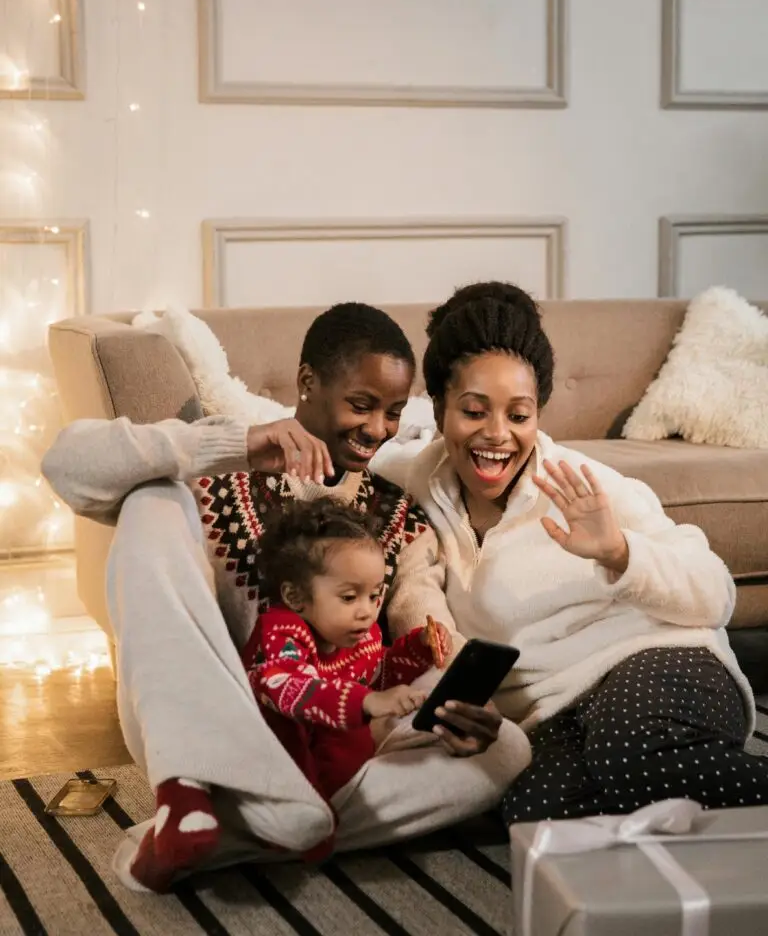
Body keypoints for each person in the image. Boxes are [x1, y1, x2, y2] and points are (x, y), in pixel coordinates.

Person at [42, 301, 530, 892]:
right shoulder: (218, 467)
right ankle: (201, 798)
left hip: (328, 750)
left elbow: (422, 621)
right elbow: (67, 465)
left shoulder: (397, 512)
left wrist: (456, 699)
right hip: (206, 738)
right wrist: (233, 444)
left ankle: (249, 829)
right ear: (307, 383)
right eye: (361, 405)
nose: (378, 429)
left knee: (507, 749)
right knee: (150, 500)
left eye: (394, 412)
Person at [380, 281, 768, 826]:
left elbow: (717, 593)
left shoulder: (586, 485)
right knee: (529, 811)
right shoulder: (414, 482)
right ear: (439, 408)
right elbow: (333, 471)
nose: (498, 436)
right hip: (559, 712)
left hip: (662, 665)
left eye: (519, 415)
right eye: (474, 411)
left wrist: (618, 552)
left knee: (629, 750)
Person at [245, 498, 451, 819]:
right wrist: (368, 702)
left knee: (441, 723)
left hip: (343, 766)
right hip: (277, 767)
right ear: (295, 597)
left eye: (374, 595)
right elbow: (288, 689)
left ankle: (337, 816)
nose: (367, 611)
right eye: (349, 597)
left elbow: (377, 677)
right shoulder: (280, 630)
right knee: (341, 742)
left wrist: (418, 647)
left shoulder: (361, 634)